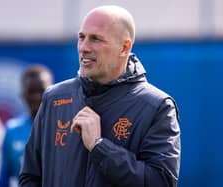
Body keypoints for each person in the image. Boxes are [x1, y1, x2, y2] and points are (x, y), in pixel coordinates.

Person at [19, 5, 180, 187]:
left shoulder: (157, 107)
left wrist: (99, 146)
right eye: (81, 37)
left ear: (124, 47)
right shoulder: (54, 98)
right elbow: (29, 177)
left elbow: (161, 182)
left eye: (96, 39)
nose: (84, 47)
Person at [0, 64, 53, 187]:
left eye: (42, 91)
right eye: (32, 91)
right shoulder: (12, 130)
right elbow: (5, 175)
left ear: (53, 93)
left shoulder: (65, 127)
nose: (37, 97)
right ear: (22, 94)